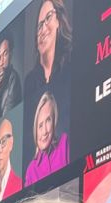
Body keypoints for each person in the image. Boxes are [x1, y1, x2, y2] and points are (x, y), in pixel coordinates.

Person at [23, 0, 73, 137]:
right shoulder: (30, 82)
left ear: (58, 21)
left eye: (48, 18)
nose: (43, 29)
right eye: (39, 26)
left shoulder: (71, 64)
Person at [22, 93, 69, 188]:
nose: (44, 132)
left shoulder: (65, 143)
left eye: (48, 120)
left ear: (54, 121)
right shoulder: (31, 170)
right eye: (40, 126)